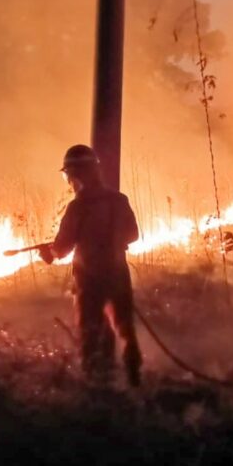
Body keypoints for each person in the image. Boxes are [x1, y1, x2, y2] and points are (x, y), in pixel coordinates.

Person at [38, 144, 143, 387]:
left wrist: (48, 253)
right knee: (125, 330)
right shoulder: (119, 200)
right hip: (118, 275)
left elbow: (62, 248)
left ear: (76, 174)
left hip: (90, 281)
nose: (69, 181)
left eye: (68, 175)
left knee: (90, 334)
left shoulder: (77, 207)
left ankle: (95, 387)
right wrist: (114, 241)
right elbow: (133, 234)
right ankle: (134, 383)